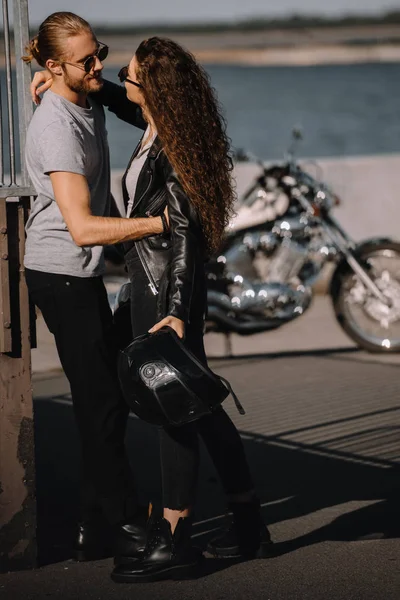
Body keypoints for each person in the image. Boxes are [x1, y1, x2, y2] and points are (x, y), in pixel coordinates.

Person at [32, 35, 274, 584]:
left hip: (164, 293)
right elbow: (115, 99)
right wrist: (64, 83)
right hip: (155, 287)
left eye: (130, 73)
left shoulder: (175, 149)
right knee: (201, 404)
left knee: (173, 412)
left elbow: (185, 233)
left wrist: (176, 310)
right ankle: (250, 524)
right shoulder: (161, 129)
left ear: (156, 91)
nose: (121, 78)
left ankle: (175, 539)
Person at [23, 12, 167, 562]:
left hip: (80, 272)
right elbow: (82, 228)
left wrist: (88, 81)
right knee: (101, 401)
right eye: (87, 60)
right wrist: (160, 224)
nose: (99, 65)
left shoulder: (83, 95)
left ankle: (94, 524)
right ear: (55, 65)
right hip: (61, 273)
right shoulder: (56, 127)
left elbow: (143, 112)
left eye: (100, 51)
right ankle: (128, 528)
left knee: (103, 402)